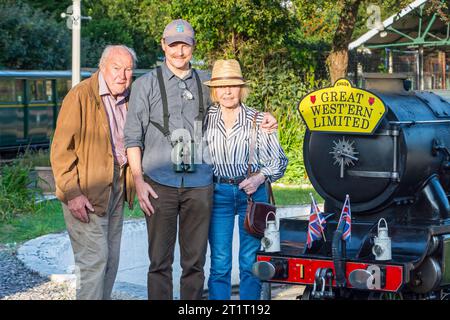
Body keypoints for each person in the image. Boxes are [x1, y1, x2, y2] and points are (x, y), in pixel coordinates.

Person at [124, 19, 278, 300]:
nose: (179, 52)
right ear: (163, 46)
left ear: (193, 47)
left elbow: (233, 106)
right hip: (159, 183)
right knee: (159, 262)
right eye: (173, 45)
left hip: (199, 185)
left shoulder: (205, 83)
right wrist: (137, 180)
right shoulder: (145, 85)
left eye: (185, 45)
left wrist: (264, 117)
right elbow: (132, 138)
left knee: (195, 263)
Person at [50, 45, 137, 300]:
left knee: (111, 258)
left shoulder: (130, 97)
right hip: (85, 189)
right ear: (102, 67)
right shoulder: (80, 96)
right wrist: (72, 193)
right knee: (93, 261)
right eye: (116, 68)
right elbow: (60, 150)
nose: (122, 75)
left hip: (116, 186)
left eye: (128, 69)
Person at [204, 59, 288, 300]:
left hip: (251, 195)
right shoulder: (204, 118)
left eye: (232, 86)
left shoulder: (258, 119)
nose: (227, 91)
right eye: (221, 86)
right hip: (217, 192)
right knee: (219, 262)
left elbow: (279, 161)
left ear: (242, 88)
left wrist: (260, 177)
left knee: (250, 261)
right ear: (214, 90)